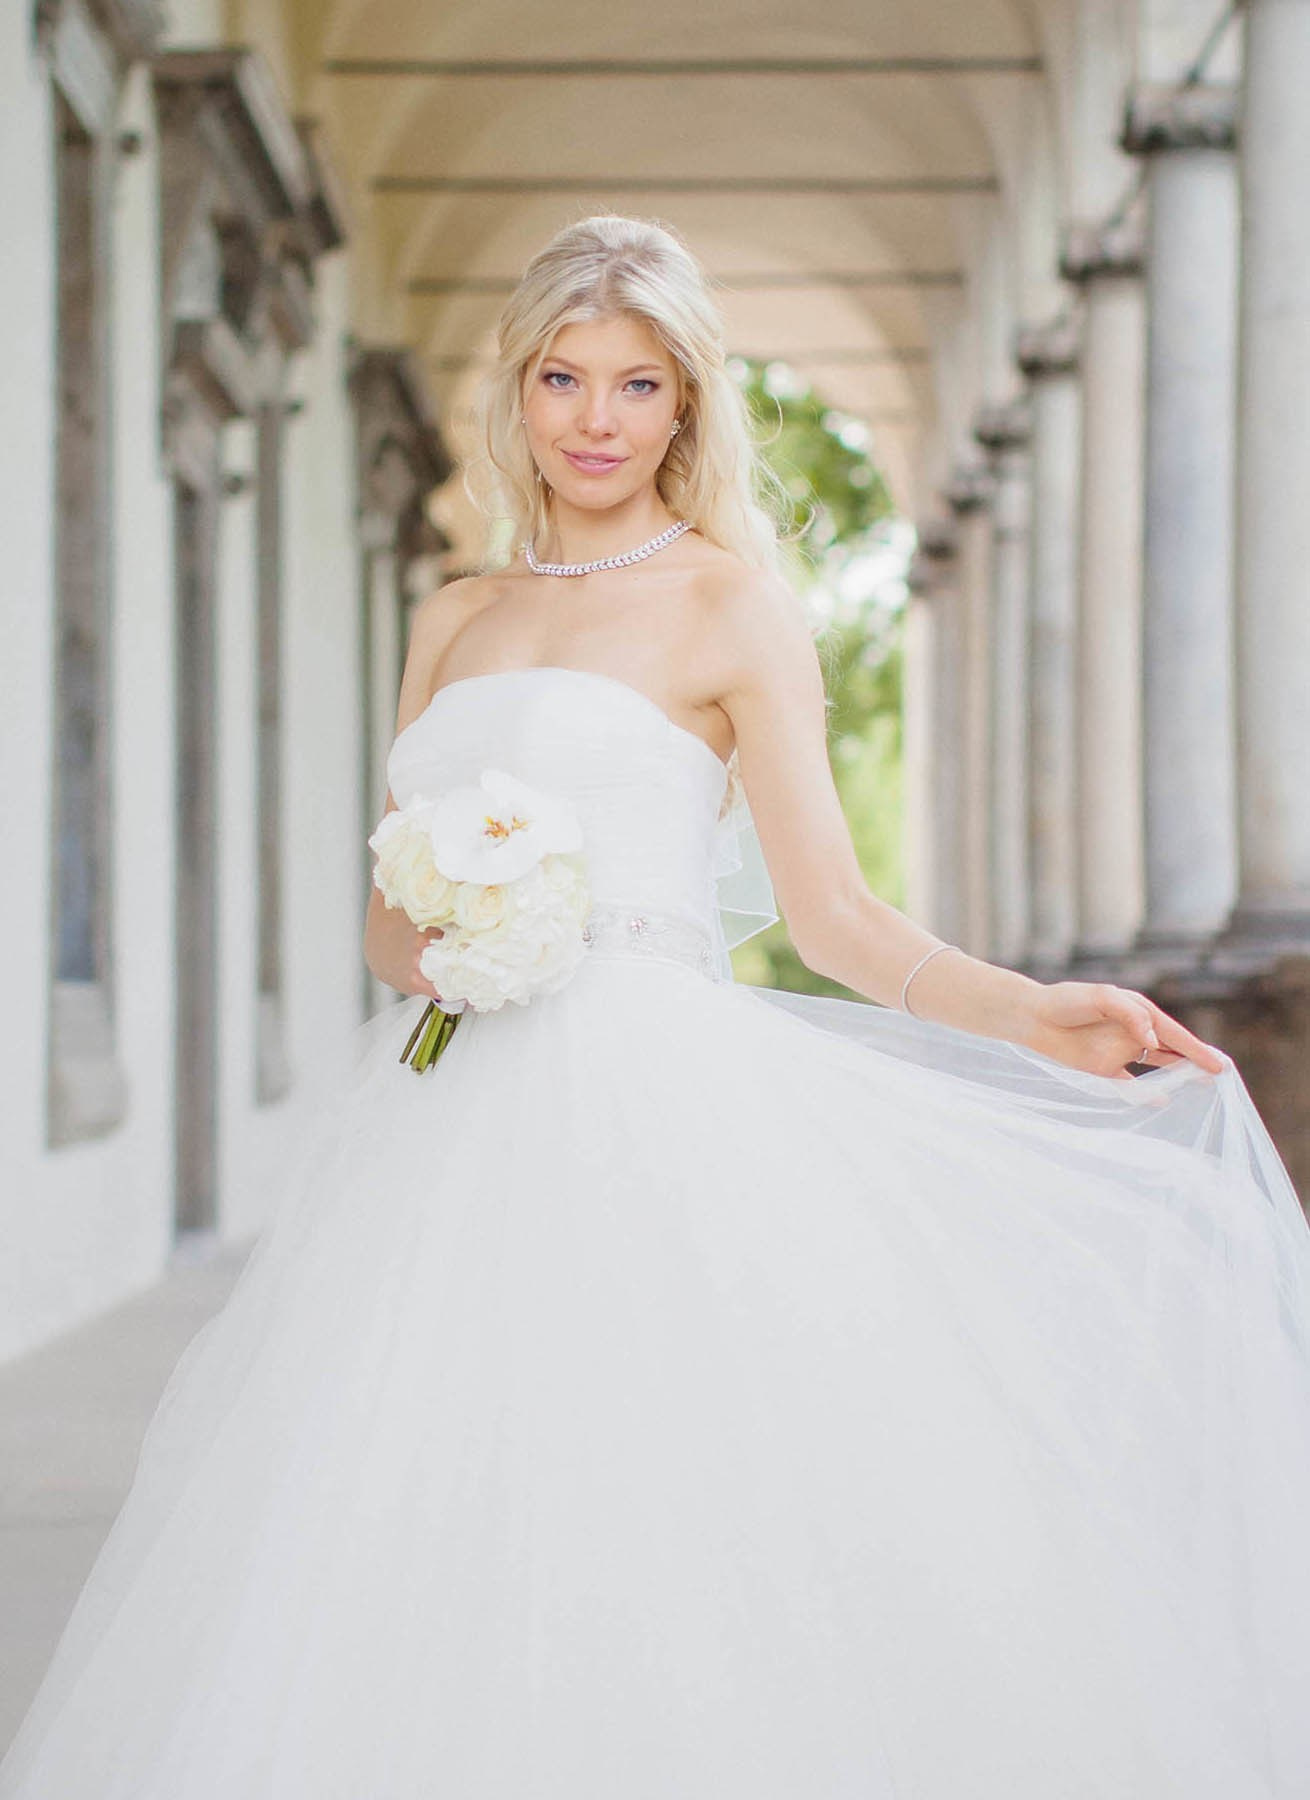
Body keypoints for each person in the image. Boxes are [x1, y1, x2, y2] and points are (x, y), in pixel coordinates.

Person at [2, 213, 1308, 1799]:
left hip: (654, 1108)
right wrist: (468, 944)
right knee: (416, 1505)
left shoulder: (729, 607)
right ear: (520, 390)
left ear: (685, 404)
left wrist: (1035, 1014)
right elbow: (384, 918)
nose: (596, 420)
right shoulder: (452, 616)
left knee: (660, 1500)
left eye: (637, 384)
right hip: (445, 1122)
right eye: (563, 378)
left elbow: (833, 918)